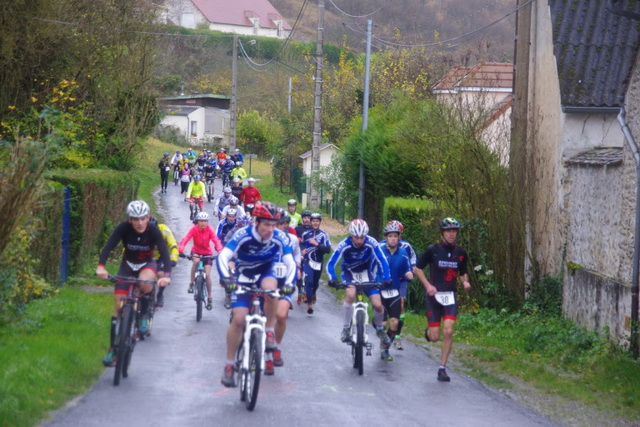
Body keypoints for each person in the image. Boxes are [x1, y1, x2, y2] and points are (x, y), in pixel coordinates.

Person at [217, 202, 296, 387]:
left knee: (272, 289)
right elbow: (223, 256)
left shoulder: (279, 237)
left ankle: (269, 332)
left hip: (266, 273)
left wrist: (290, 284)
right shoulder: (243, 234)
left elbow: (290, 262)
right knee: (238, 320)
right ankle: (229, 365)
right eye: (266, 224)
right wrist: (226, 279)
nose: (270, 229)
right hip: (243, 275)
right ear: (256, 222)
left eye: (273, 225)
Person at [96, 200, 172, 366]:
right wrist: (101, 267)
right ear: (129, 219)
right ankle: (113, 349)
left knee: (145, 283)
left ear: (148, 218)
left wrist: (166, 274)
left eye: (143, 218)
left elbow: (164, 252)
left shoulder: (153, 230)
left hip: (146, 264)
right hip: (127, 266)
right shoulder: (123, 228)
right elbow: (108, 246)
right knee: (118, 306)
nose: (139, 223)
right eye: (135, 219)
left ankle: (144, 315)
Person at [414, 217, 471, 382]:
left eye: (454, 231)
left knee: (448, 330)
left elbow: (463, 272)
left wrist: (465, 281)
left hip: (450, 296)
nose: (452, 234)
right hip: (434, 296)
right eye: (449, 231)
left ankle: (442, 368)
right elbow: (417, 269)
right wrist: (428, 286)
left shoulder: (461, 253)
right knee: (434, 337)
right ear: (442, 233)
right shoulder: (432, 250)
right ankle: (429, 332)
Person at [326, 219, 391, 350]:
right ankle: (345, 329)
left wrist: (387, 278)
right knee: (350, 295)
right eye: (356, 237)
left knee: (378, 305)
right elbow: (331, 263)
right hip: (349, 273)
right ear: (351, 235)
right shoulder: (344, 244)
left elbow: (382, 260)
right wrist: (333, 278)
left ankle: (379, 329)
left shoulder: (371, 242)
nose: (360, 241)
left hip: (367, 273)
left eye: (362, 237)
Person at [269, 211, 301, 372]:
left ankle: (276, 348)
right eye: (278, 224)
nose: (281, 227)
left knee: (281, 316)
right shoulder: (266, 238)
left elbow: (296, 255)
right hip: (267, 280)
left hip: (285, 281)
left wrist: (298, 267)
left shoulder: (292, 239)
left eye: (284, 224)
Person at [378, 221, 413, 361]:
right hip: (380, 291)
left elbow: (407, 270)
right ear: (386, 237)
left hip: (395, 291)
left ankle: (385, 348)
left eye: (395, 236)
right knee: (383, 323)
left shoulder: (403, 253)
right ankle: (382, 338)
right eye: (390, 236)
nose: (393, 238)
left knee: (394, 322)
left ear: (399, 238)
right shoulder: (379, 250)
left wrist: (409, 275)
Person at [178, 211, 223, 310]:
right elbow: (186, 239)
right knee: (196, 262)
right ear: (197, 221)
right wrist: (181, 249)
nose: (203, 223)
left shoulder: (210, 230)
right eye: (201, 221)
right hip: (196, 251)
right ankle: (191, 282)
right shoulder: (194, 229)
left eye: (205, 221)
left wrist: (220, 251)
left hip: (207, 253)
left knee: (207, 274)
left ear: (207, 222)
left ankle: (210, 296)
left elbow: (216, 240)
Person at [301, 213, 331, 314]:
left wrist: (316, 244)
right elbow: (301, 245)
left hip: (318, 261)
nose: (315, 223)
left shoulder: (324, 235)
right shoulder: (305, 234)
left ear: (320, 222)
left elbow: (327, 250)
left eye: (317, 221)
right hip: (307, 261)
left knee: (315, 282)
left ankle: (313, 293)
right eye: (313, 221)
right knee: (309, 281)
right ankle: (309, 304)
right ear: (310, 222)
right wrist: (302, 251)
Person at [149, 216, 179, 308]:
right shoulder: (142, 232)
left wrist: (173, 258)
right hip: (147, 257)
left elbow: (173, 245)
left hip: (161, 257)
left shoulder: (164, 230)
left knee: (161, 275)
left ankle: (160, 294)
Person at [294, 210, 312, 302]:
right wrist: (300, 252)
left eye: (308, 218)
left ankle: (307, 293)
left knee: (309, 275)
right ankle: (300, 290)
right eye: (304, 218)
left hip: (311, 254)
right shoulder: (297, 229)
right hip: (300, 253)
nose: (306, 220)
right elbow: (295, 242)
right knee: (299, 275)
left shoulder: (313, 229)